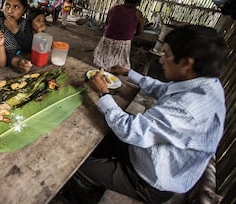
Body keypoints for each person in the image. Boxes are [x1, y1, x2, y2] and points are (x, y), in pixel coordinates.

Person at [61, 25, 228, 203]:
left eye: (167, 55)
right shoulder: (205, 84)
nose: (161, 60)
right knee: (98, 135)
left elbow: (129, 129)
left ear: (187, 63)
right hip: (148, 154)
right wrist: (130, 73)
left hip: (152, 181)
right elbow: (163, 89)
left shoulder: (188, 109)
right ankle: (100, 174)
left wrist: (104, 93)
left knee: (76, 166)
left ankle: (78, 196)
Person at [92, 0, 144, 70]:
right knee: (118, 67)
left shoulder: (114, 9)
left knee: (103, 63)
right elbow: (140, 32)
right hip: (123, 44)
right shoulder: (138, 13)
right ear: (138, 2)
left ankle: (100, 75)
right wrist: (130, 34)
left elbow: (107, 23)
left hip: (107, 40)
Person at [0, 0, 33, 73]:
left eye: (16, 7)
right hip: (0, 66)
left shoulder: (25, 24)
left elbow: (28, 47)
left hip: (22, 59)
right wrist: (15, 61)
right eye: (7, 5)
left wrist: (17, 31)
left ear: (24, 10)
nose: (10, 11)